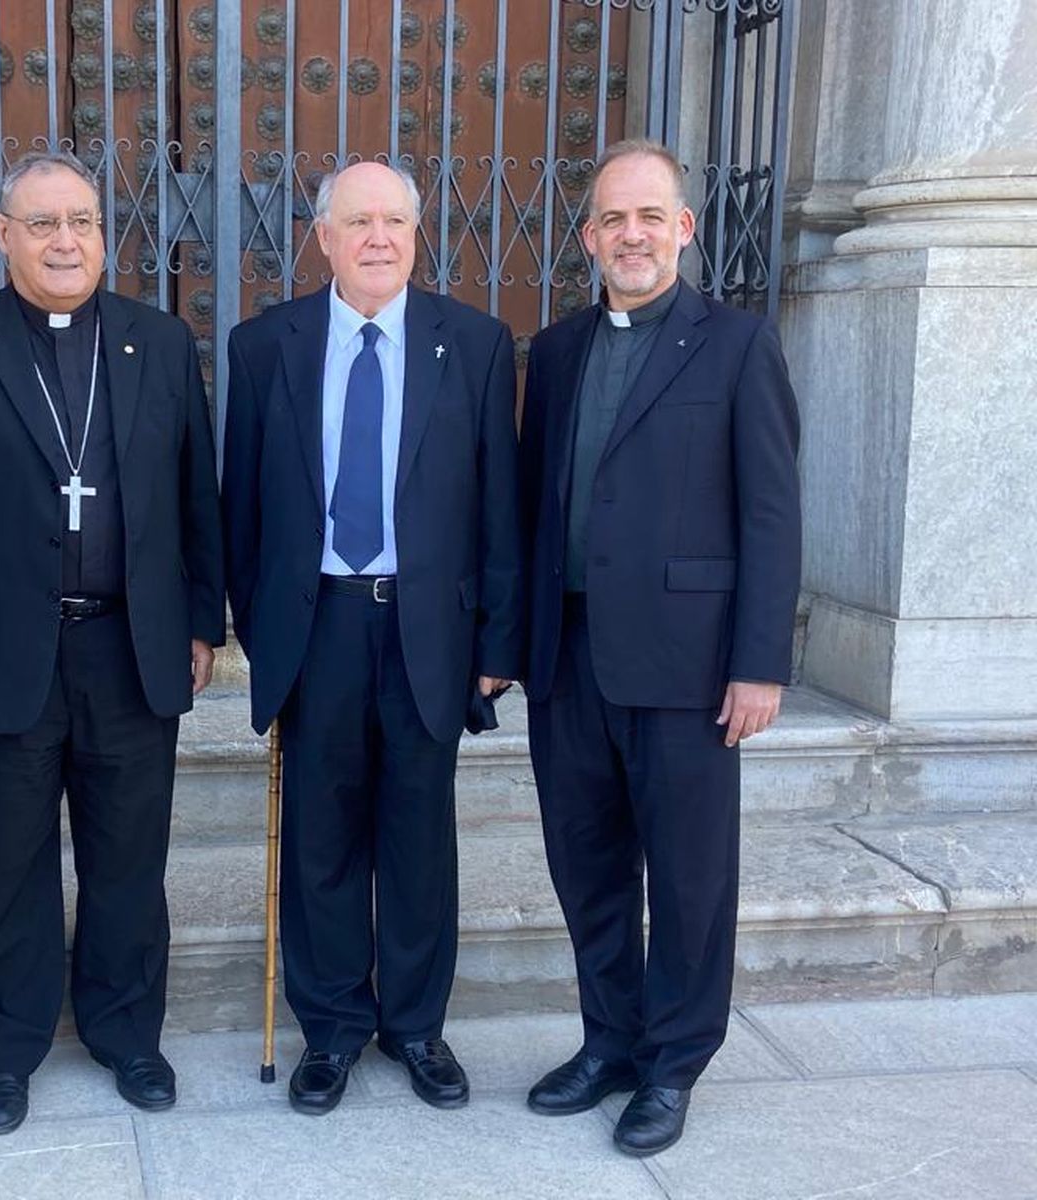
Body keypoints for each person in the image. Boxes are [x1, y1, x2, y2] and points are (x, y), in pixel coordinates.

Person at [0, 151, 224, 1135]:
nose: (64, 241)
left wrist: (203, 619)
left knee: (131, 858)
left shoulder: (157, 342)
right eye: (40, 223)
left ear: (105, 232)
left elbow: (193, 490)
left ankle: (128, 1033)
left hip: (130, 648)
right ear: (2, 234)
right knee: (6, 862)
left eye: (81, 221)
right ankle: (7, 1047)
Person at [517, 138, 801, 1155]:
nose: (629, 235)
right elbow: (531, 508)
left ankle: (673, 1064)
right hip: (571, 660)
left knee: (685, 879)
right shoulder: (552, 354)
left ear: (683, 227)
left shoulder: (734, 345)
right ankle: (609, 1042)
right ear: (587, 237)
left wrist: (759, 661)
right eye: (610, 220)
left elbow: (770, 511)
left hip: (689, 667)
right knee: (587, 867)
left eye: (649, 216)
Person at [222, 161, 523, 1116]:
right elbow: (244, 509)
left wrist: (497, 639)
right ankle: (333, 1028)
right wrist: (259, 631)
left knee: (418, 836)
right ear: (324, 237)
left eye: (395, 220)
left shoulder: (472, 343)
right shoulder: (265, 344)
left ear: (417, 231)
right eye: (359, 222)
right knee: (320, 838)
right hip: (318, 623)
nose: (379, 238)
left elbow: (499, 505)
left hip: (429, 626)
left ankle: (417, 1028)